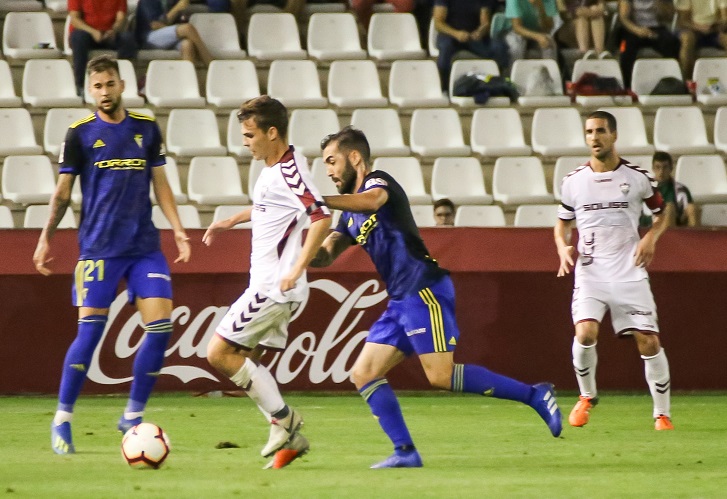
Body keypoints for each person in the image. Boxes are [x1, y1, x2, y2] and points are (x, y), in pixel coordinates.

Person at [311, 126, 562, 469]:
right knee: (364, 373)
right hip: (400, 301)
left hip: (424, 289)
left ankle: (535, 395)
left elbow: (373, 202)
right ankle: (405, 453)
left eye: (332, 161)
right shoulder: (348, 214)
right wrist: (292, 254)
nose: (328, 171)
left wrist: (317, 200)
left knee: (440, 376)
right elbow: (326, 254)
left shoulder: (378, 183)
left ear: (355, 158)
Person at [34, 55, 192, 454]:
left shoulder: (146, 128)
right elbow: (62, 194)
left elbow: (162, 185)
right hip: (98, 251)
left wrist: (177, 229)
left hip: (144, 248)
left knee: (160, 328)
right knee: (89, 335)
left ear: (122, 85)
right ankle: (62, 420)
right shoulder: (79, 134)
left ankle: (132, 417)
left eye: (110, 84)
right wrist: (44, 238)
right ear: (91, 91)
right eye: (97, 87)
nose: (104, 92)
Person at [203, 96, 332, 470]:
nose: (245, 141)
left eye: (250, 134)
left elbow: (321, 218)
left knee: (218, 353)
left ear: (271, 132)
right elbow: (270, 210)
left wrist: (295, 269)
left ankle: (286, 422)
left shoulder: (291, 172)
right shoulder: (276, 168)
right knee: (248, 363)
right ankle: (289, 440)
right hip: (275, 287)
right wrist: (232, 220)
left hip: (273, 288)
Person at [554, 110, 673, 431]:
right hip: (591, 270)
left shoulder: (637, 177)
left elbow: (662, 212)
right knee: (585, 333)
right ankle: (587, 397)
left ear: (614, 135)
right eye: (590, 132)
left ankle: (662, 414)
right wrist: (563, 246)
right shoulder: (573, 181)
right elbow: (562, 224)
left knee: (648, 341)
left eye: (601, 131)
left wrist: (651, 236)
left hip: (628, 271)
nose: (594, 137)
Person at [433, 0, 510, 91]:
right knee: (446, 47)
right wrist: (456, 34)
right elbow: (438, 23)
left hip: (473, 37)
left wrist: (480, 32)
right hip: (449, 35)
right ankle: (443, 88)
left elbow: (485, 22)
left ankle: (500, 83)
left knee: (499, 47)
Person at [68, 0, 138, 96]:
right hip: (87, 33)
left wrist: (114, 30)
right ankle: (80, 85)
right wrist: (93, 32)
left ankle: (123, 82)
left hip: (109, 34)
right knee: (78, 38)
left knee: (128, 39)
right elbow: (75, 19)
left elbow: (121, 18)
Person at [618, 0, 681, 88]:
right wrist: (638, 30)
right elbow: (623, 18)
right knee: (626, 50)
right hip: (633, 28)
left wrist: (659, 5)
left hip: (656, 28)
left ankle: (672, 84)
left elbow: (669, 17)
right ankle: (627, 86)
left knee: (671, 43)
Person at [135, 0, 214, 66]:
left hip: (169, 37)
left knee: (187, 44)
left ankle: (188, 80)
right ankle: (210, 65)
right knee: (187, 28)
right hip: (148, 38)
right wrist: (177, 8)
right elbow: (154, 25)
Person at [675, 0, 727, 78]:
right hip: (692, 29)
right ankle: (687, 80)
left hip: (714, 30)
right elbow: (683, 21)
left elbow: (724, 17)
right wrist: (699, 27)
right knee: (687, 38)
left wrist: (718, 25)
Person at [651, 151, 697, 227]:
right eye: (658, 167)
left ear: (671, 169)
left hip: (676, 225)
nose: (661, 171)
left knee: (692, 208)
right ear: (653, 169)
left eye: (665, 167)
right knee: (669, 208)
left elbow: (686, 212)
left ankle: (695, 238)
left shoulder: (681, 190)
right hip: (650, 227)